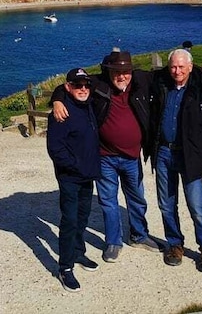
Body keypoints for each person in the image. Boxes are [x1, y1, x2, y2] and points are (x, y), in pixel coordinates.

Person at [51, 50, 159, 264]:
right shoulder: (98, 83)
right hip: (105, 157)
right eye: (116, 71)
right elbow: (70, 84)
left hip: (131, 156)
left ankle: (139, 235)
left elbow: (173, 73)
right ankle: (113, 242)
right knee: (108, 201)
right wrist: (57, 99)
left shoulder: (140, 80)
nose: (122, 76)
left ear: (131, 71)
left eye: (126, 71)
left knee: (137, 198)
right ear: (108, 71)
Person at [150, 48, 202, 273]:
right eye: (173, 66)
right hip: (164, 153)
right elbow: (134, 76)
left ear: (190, 67)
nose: (177, 71)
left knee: (197, 206)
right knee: (166, 204)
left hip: (191, 156)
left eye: (182, 67)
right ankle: (174, 244)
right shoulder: (161, 84)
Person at [46, 68, 100, 292]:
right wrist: (76, 166)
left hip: (88, 175)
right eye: (77, 85)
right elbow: (55, 149)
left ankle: (78, 253)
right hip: (70, 177)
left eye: (86, 85)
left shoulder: (89, 105)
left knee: (83, 215)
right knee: (69, 220)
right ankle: (65, 267)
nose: (83, 89)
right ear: (68, 87)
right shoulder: (60, 113)